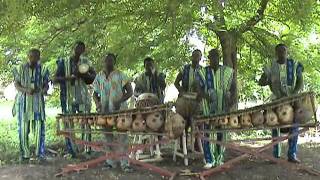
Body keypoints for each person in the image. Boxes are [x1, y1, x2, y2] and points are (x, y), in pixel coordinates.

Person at [258, 43, 303, 163]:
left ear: (287, 52)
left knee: (294, 126)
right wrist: (264, 81)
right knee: (275, 126)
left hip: (292, 100)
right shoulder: (270, 66)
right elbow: (262, 81)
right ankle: (275, 155)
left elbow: (300, 81)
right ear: (276, 53)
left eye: (284, 50)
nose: (282, 53)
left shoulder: (294, 64)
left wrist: (293, 94)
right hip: (276, 100)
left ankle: (292, 154)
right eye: (279, 51)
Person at [54, 41, 96, 157]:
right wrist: (68, 78)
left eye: (82, 49)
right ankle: (72, 151)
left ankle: (87, 149)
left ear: (84, 50)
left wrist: (83, 75)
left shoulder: (86, 62)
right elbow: (55, 79)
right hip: (67, 97)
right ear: (73, 48)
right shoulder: (64, 62)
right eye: (77, 48)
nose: (79, 51)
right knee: (68, 123)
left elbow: (93, 78)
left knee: (86, 122)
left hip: (83, 97)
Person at [93, 53, 133, 172]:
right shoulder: (99, 76)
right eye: (106, 60)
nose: (108, 62)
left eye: (111, 60)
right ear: (103, 61)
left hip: (120, 111)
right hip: (105, 112)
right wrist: (98, 103)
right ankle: (110, 162)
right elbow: (95, 94)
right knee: (107, 137)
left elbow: (130, 91)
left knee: (122, 137)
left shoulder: (120, 75)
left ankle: (125, 164)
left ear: (114, 62)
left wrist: (120, 101)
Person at [197, 49, 234, 169]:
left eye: (216, 57)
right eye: (211, 57)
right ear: (209, 58)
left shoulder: (227, 71)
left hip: (223, 106)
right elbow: (197, 87)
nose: (214, 59)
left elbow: (233, 87)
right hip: (208, 107)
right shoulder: (203, 71)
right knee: (208, 132)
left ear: (219, 57)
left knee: (221, 132)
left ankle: (219, 158)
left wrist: (231, 99)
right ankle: (209, 159)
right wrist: (204, 95)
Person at [13, 48, 50, 162]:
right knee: (23, 130)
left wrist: (44, 90)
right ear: (28, 56)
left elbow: (46, 84)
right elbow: (16, 84)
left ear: (39, 57)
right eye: (31, 56)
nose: (33, 59)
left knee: (39, 130)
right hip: (23, 104)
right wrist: (25, 90)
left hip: (38, 103)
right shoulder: (20, 68)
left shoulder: (43, 69)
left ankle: (40, 154)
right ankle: (25, 154)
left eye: (36, 57)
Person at [174, 49, 202, 150]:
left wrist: (200, 94)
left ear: (200, 58)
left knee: (196, 123)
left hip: (196, 100)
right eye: (193, 56)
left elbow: (205, 86)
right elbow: (176, 82)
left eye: (197, 56)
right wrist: (180, 90)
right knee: (183, 122)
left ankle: (197, 145)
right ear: (191, 57)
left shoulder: (203, 71)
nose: (195, 58)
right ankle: (183, 145)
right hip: (184, 99)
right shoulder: (185, 69)